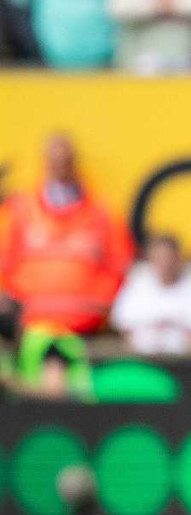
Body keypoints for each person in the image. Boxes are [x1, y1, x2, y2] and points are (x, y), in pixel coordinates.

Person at [0, 134, 133, 398]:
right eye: (54, 160)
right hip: (29, 331)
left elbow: (120, 266)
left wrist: (97, 304)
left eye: (66, 160)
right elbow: (4, 264)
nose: (60, 166)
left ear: (74, 163)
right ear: (45, 163)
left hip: (87, 332)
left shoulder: (101, 212)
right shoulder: (20, 211)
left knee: (75, 401)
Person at [111, 234, 191, 354]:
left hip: (189, 360)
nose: (165, 264)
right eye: (159, 259)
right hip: (143, 359)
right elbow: (123, 328)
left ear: (178, 258)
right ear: (151, 260)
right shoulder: (137, 284)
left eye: (169, 258)